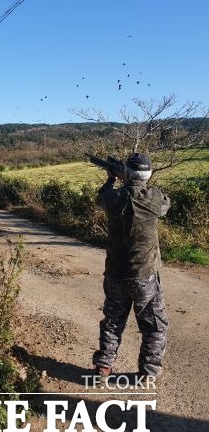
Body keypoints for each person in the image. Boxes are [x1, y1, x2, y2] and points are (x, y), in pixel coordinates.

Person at [93, 152, 170, 382]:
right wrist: (138, 181)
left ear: (125, 173)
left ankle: (104, 367)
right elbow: (165, 205)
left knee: (113, 321)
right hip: (145, 275)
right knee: (154, 325)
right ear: (148, 174)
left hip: (116, 272)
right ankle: (148, 372)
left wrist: (111, 179)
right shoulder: (154, 198)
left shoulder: (113, 198)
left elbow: (101, 198)